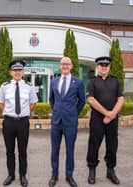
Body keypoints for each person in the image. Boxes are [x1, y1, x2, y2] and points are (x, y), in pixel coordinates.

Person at [0, 60, 38, 187]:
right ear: (11, 72)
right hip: (8, 122)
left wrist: (25, 112)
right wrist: (7, 111)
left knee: (22, 151)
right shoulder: (5, 86)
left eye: (20, 70)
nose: (17, 72)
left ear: (23, 72)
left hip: (23, 122)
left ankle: (23, 175)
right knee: (9, 151)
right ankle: (11, 175)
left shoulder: (29, 86)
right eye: (15, 70)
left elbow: (33, 102)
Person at [86, 56, 124, 185]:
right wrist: (107, 113)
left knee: (112, 145)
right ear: (97, 67)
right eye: (101, 65)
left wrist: (112, 114)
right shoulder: (92, 82)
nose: (104, 67)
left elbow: (121, 99)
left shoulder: (116, 81)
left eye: (106, 65)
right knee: (94, 145)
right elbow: (91, 99)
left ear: (109, 67)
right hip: (97, 120)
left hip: (112, 120)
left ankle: (110, 170)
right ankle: (92, 170)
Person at [48, 57, 85, 187]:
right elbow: (51, 100)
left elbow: (82, 101)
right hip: (56, 122)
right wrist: (57, 111)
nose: (65, 66)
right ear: (60, 66)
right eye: (63, 64)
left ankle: (69, 175)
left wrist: (74, 113)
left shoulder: (78, 82)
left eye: (67, 64)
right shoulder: (54, 81)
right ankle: (54, 175)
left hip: (71, 122)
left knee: (70, 149)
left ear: (71, 66)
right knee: (55, 150)